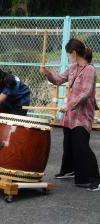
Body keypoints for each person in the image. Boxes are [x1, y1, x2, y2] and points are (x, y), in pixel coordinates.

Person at [41, 38, 100, 191]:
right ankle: (69, 170)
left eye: (68, 53)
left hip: (82, 115)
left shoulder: (89, 70)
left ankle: (95, 179)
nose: (68, 56)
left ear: (74, 53)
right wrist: (48, 73)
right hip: (70, 115)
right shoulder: (73, 68)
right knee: (68, 144)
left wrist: (69, 105)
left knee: (82, 147)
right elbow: (58, 80)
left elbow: (86, 93)